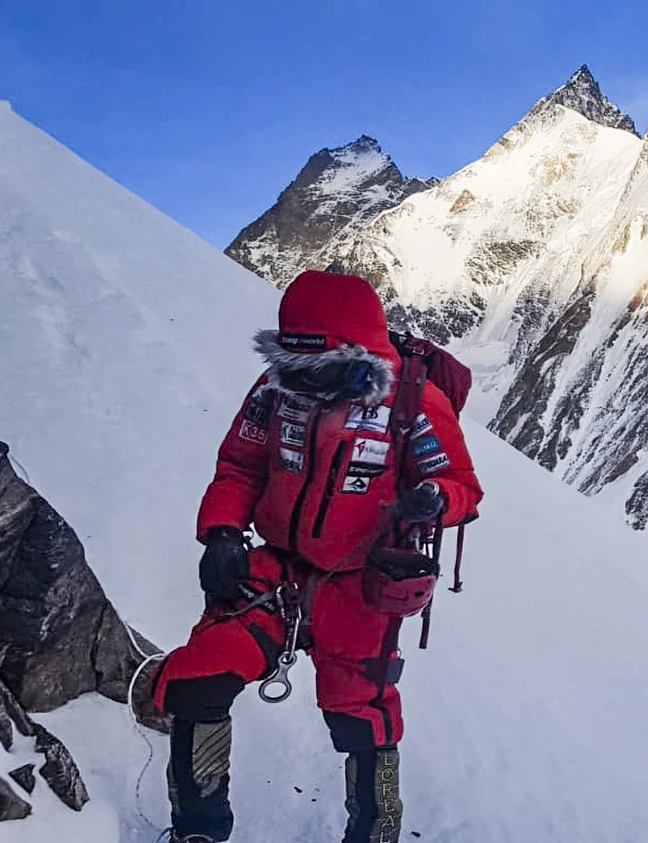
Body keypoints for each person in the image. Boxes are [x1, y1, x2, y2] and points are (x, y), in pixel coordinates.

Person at [151, 270, 484, 843]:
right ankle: (198, 829)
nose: (305, 378)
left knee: (364, 720)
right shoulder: (275, 390)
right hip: (275, 571)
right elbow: (240, 467)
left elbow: (462, 486)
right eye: (294, 361)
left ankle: (375, 834)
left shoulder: (413, 403)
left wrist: (435, 499)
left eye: (318, 364)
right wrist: (224, 532)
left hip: (360, 587)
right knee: (197, 679)